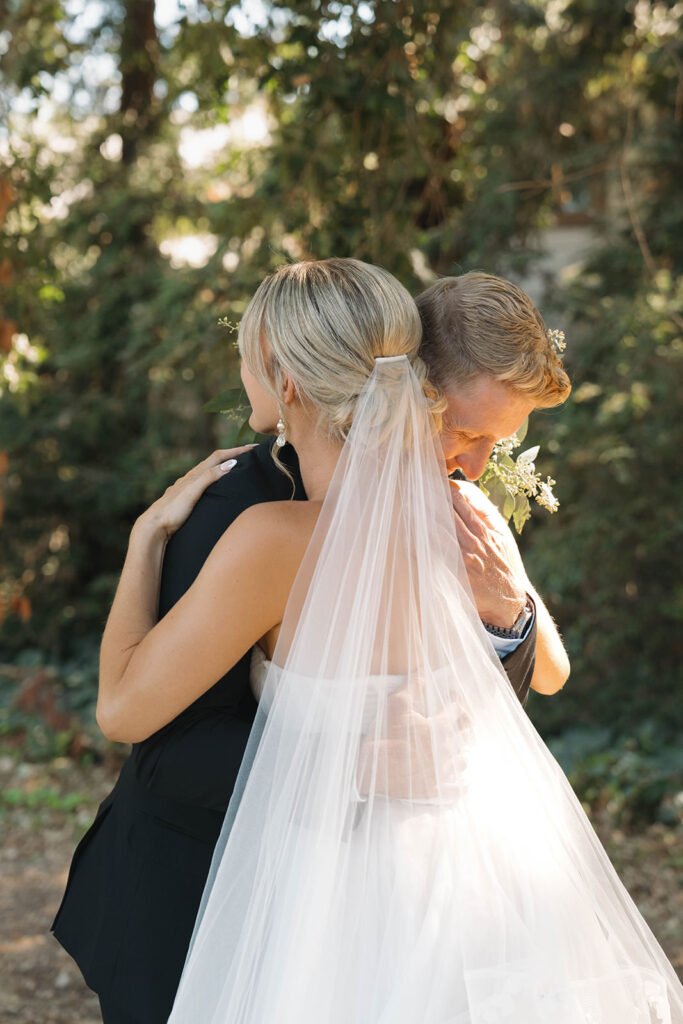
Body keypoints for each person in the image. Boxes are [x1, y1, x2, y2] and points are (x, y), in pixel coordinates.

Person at [50, 263, 570, 1023]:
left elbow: (121, 712)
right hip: (313, 889)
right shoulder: (330, 516)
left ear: (286, 379)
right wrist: (356, 762)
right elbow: (176, 748)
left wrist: (141, 542)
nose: (472, 462)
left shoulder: (324, 532)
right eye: (466, 432)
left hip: (348, 894)